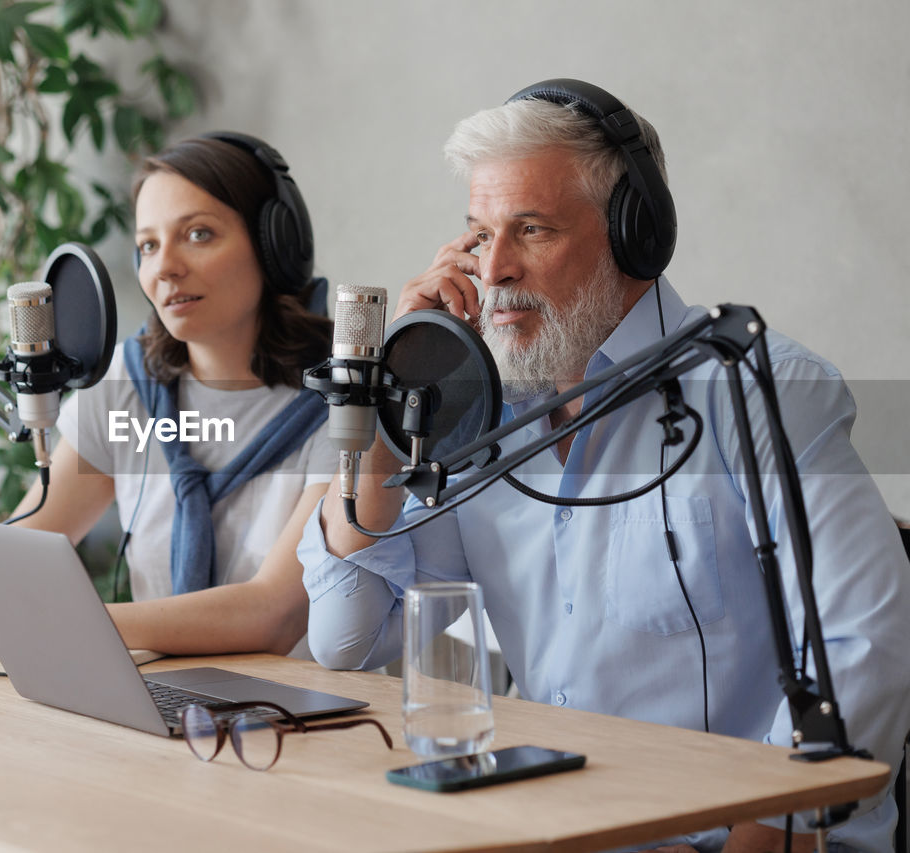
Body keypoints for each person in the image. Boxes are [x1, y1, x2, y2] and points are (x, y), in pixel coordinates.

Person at [298, 79, 910, 852]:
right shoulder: (479, 414)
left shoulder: (755, 387)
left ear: (634, 235)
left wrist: (759, 835)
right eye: (480, 236)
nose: (495, 271)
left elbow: (868, 646)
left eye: (532, 229)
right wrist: (397, 395)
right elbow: (346, 637)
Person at [0, 131, 335, 666]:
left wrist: (47, 619)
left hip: (302, 717)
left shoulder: (342, 407)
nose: (164, 267)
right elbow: (22, 551)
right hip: (162, 700)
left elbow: (274, 614)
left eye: (199, 234)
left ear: (275, 246)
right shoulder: (131, 391)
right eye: (148, 246)